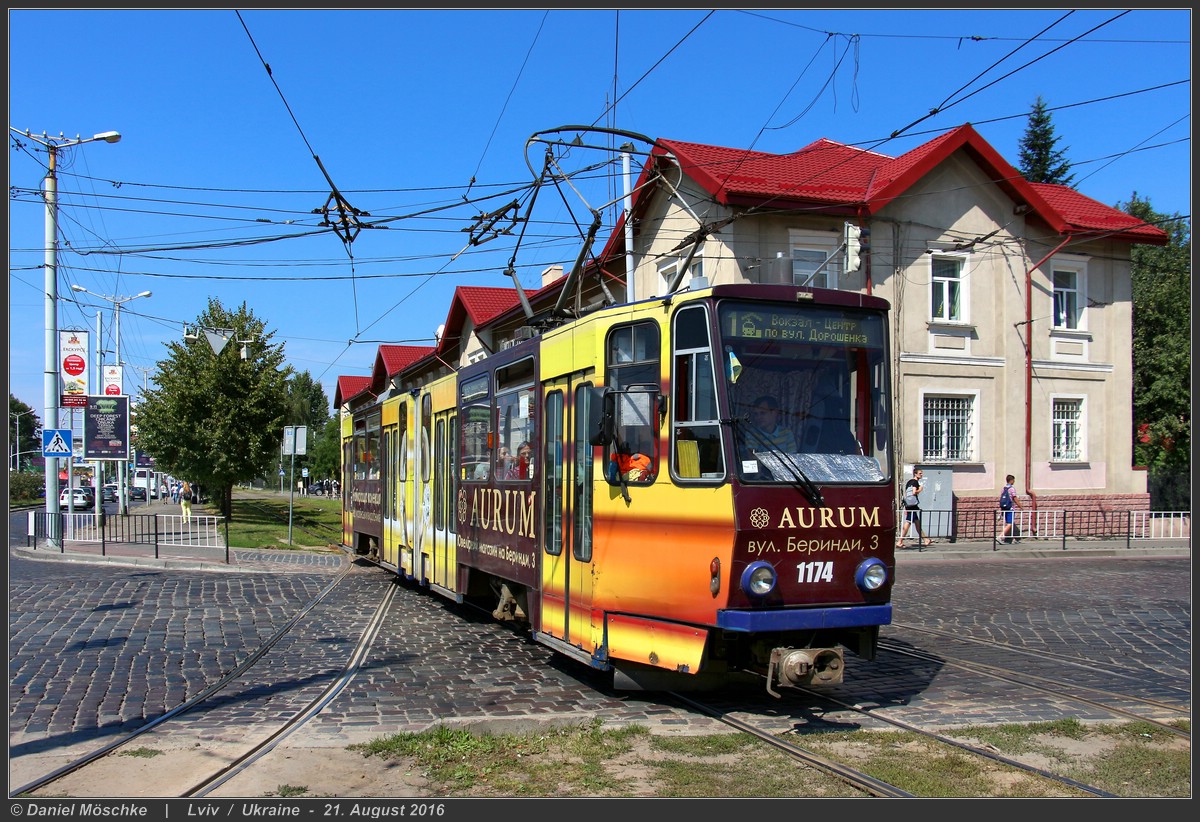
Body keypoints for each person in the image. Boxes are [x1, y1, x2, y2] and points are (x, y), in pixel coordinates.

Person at [897, 467, 931, 548]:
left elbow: (907, 494)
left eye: (921, 473)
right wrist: (920, 489)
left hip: (909, 504)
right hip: (912, 505)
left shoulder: (909, 482)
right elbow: (914, 492)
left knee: (916, 522)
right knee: (908, 521)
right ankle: (900, 541)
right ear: (915, 474)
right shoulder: (915, 482)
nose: (921, 474)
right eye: (920, 473)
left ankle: (926, 539)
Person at [999, 473, 1022, 544]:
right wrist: (1020, 506)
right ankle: (1000, 537)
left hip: (1004, 508)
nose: (1014, 482)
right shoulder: (1011, 489)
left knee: (1009, 523)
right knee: (1010, 523)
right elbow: (1014, 498)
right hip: (1010, 508)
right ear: (1011, 480)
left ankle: (1010, 539)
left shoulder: (1003, 488)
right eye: (1013, 480)